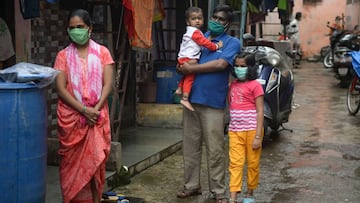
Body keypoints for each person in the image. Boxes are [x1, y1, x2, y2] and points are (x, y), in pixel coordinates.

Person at [176, 4, 241, 203]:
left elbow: (221, 64)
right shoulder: (197, 36)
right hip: (192, 101)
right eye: (214, 17)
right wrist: (182, 68)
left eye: (221, 19)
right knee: (190, 146)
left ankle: (219, 191)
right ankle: (192, 185)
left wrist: (190, 69)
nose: (216, 21)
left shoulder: (232, 42)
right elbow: (183, 61)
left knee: (215, 149)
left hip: (213, 103)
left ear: (227, 24)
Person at [54, 9, 114, 203]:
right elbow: (60, 88)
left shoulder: (103, 52)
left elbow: (108, 84)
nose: (75, 31)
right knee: (71, 167)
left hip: (96, 115)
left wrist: (94, 109)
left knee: (95, 165)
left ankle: (96, 200)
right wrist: (83, 110)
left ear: (90, 28)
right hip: (72, 118)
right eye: (71, 28)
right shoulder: (62, 56)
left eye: (79, 27)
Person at [228, 53, 264, 203]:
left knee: (253, 163)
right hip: (235, 130)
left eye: (243, 66)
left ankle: (250, 194)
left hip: (252, 131)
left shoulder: (255, 85)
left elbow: (260, 111)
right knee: (235, 163)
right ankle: (233, 197)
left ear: (250, 67)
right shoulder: (232, 85)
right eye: (237, 66)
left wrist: (257, 136)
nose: (239, 69)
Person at [175, 6, 223, 111]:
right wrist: (216, 46)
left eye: (199, 18)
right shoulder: (195, 32)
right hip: (189, 58)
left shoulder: (190, 31)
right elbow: (205, 43)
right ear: (188, 21)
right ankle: (185, 98)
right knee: (190, 76)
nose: (197, 21)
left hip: (183, 57)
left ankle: (179, 88)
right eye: (193, 19)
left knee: (187, 73)